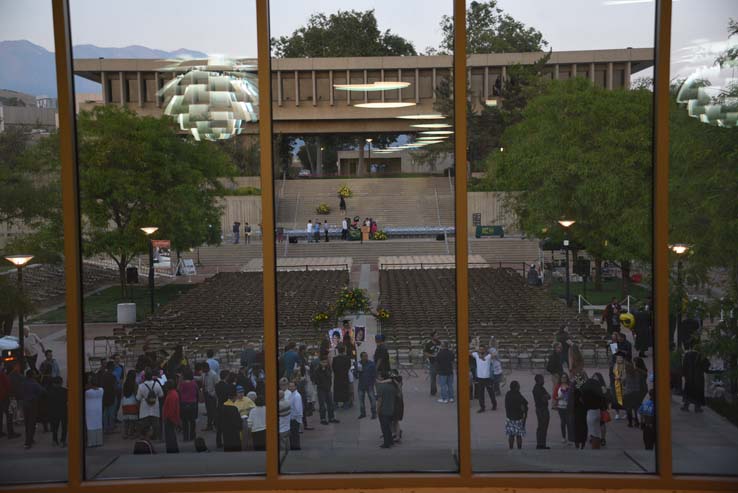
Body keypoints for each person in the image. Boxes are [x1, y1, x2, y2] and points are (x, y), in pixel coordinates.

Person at [136, 368, 164, 441]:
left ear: (144, 377)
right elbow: (161, 395)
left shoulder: (141, 386)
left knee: (144, 426)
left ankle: (145, 438)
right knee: (156, 425)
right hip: (155, 409)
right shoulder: (157, 384)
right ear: (152, 376)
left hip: (144, 409)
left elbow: (138, 398)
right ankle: (156, 437)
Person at [681, 344, 709, 412]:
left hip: (689, 377)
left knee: (688, 391)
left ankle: (686, 406)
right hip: (698, 378)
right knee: (698, 392)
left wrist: (684, 375)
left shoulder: (687, 354)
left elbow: (684, 366)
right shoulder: (701, 355)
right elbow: (706, 366)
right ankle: (697, 408)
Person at [375, 370, 398, 449]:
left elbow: (380, 400)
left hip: (383, 409)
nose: (378, 378)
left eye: (379, 376)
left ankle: (386, 443)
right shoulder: (392, 386)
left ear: (382, 377)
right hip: (391, 408)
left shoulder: (381, 387)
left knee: (384, 427)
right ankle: (390, 440)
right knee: (388, 426)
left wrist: (377, 410)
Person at [623, 357, 648, 427]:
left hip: (628, 393)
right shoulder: (638, 374)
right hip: (637, 392)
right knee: (636, 408)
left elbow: (623, 382)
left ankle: (630, 422)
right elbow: (644, 375)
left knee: (628, 408)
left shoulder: (627, 375)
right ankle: (637, 421)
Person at [471, 343, 496, 412]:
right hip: (480, 378)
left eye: (482, 349)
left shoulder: (488, 355)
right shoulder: (476, 354)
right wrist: (475, 349)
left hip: (487, 378)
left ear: (485, 350)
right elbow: (469, 352)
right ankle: (482, 407)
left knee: (491, 392)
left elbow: (494, 354)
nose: (481, 350)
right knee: (481, 394)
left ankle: (494, 404)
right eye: (480, 349)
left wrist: (488, 350)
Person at [504, 380, 528, 450]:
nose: (519, 387)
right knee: (518, 436)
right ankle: (519, 449)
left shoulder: (508, 394)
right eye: (518, 386)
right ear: (516, 387)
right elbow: (524, 406)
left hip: (509, 418)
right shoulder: (518, 396)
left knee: (511, 435)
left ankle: (511, 448)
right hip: (518, 419)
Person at [315, 358, 339, 425]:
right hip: (321, 389)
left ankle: (331, 418)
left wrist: (329, 385)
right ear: (320, 362)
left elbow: (329, 377)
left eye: (326, 362)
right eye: (323, 362)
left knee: (330, 404)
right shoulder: (317, 370)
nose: (324, 363)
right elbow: (316, 380)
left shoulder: (328, 369)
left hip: (328, 389)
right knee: (322, 405)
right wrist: (322, 371)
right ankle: (323, 419)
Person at [219, 388, 244, 452]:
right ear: (235, 397)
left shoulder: (223, 406)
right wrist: (241, 426)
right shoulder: (234, 408)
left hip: (225, 431)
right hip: (234, 431)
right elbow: (237, 421)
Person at [0, 364, 19, 439]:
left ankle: (0, 432)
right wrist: (11, 395)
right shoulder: (2, 374)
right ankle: (11, 433)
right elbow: (7, 385)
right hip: (4, 397)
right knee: (9, 415)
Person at [47, 376, 67, 447]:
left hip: (54, 412)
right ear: (61, 383)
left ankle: (54, 441)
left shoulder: (50, 391)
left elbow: (48, 403)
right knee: (64, 427)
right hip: (64, 411)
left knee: (55, 427)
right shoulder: (65, 391)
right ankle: (63, 441)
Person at [85, 373, 104, 448]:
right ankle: (99, 441)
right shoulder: (102, 390)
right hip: (98, 410)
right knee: (98, 424)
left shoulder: (87, 392)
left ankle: (91, 442)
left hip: (89, 410)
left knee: (90, 425)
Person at [532, 374, 550, 449]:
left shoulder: (540, 388)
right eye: (542, 379)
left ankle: (541, 443)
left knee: (542, 427)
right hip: (542, 409)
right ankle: (541, 444)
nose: (543, 381)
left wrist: (546, 396)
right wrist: (546, 396)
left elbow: (548, 396)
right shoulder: (538, 389)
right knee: (542, 426)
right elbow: (545, 398)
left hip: (541, 409)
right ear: (538, 380)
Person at [552, 373, 571, 444]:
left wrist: (568, 397)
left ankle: (570, 438)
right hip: (560, 407)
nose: (564, 379)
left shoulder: (570, 386)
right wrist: (559, 398)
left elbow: (573, 395)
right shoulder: (558, 386)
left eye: (565, 377)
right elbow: (554, 396)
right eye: (562, 377)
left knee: (569, 422)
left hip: (568, 407)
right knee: (563, 422)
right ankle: (563, 437)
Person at [161, 381, 180, 453]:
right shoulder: (173, 394)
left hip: (170, 418)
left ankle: (171, 449)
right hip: (171, 418)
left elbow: (171, 409)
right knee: (171, 435)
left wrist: (167, 417)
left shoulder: (171, 395)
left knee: (170, 435)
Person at [357, 351, 377, 419]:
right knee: (361, 401)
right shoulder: (358, 364)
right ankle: (363, 413)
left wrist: (374, 383)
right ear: (361, 357)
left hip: (369, 385)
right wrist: (357, 371)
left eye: (366, 356)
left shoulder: (371, 364)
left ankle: (374, 413)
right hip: (361, 385)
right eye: (364, 356)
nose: (366, 357)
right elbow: (355, 375)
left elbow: (375, 374)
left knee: (373, 400)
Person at [120, 370, 139, 439]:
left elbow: (122, 393)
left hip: (125, 401)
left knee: (126, 419)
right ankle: (131, 434)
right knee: (132, 420)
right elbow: (136, 394)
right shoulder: (135, 383)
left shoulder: (125, 383)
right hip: (132, 401)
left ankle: (125, 434)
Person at [101, 361, 118, 434]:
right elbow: (115, 387)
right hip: (111, 396)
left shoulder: (103, 375)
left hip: (104, 396)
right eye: (113, 366)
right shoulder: (113, 376)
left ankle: (105, 428)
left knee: (105, 413)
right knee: (111, 413)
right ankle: (111, 428)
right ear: (111, 367)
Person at [201, 362, 219, 431]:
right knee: (209, 411)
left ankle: (216, 425)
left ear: (206, 368)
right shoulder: (204, 374)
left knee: (213, 411)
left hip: (211, 395)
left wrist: (213, 394)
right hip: (206, 394)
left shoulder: (213, 374)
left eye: (203, 369)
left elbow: (216, 385)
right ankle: (209, 425)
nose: (202, 370)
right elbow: (201, 379)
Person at [423, 330, 441, 397]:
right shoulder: (428, 344)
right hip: (433, 363)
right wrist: (433, 355)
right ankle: (433, 391)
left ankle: (443, 391)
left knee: (442, 377)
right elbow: (425, 353)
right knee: (433, 378)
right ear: (432, 337)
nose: (437, 336)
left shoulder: (439, 343)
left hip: (440, 363)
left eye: (437, 335)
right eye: (436, 335)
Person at [288, 381, 303, 450]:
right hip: (291, 417)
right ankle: (293, 446)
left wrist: (298, 419)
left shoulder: (297, 396)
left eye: (292, 386)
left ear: (295, 387)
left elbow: (298, 408)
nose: (291, 387)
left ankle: (296, 446)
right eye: (290, 386)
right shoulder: (291, 394)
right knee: (293, 433)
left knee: (295, 433)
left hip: (295, 418)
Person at [278, 390, 291, 462]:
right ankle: (289, 459)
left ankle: (283, 462)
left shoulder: (279, 404)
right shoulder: (288, 402)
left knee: (282, 449)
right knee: (287, 446)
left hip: (281, 429)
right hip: (287, 427)